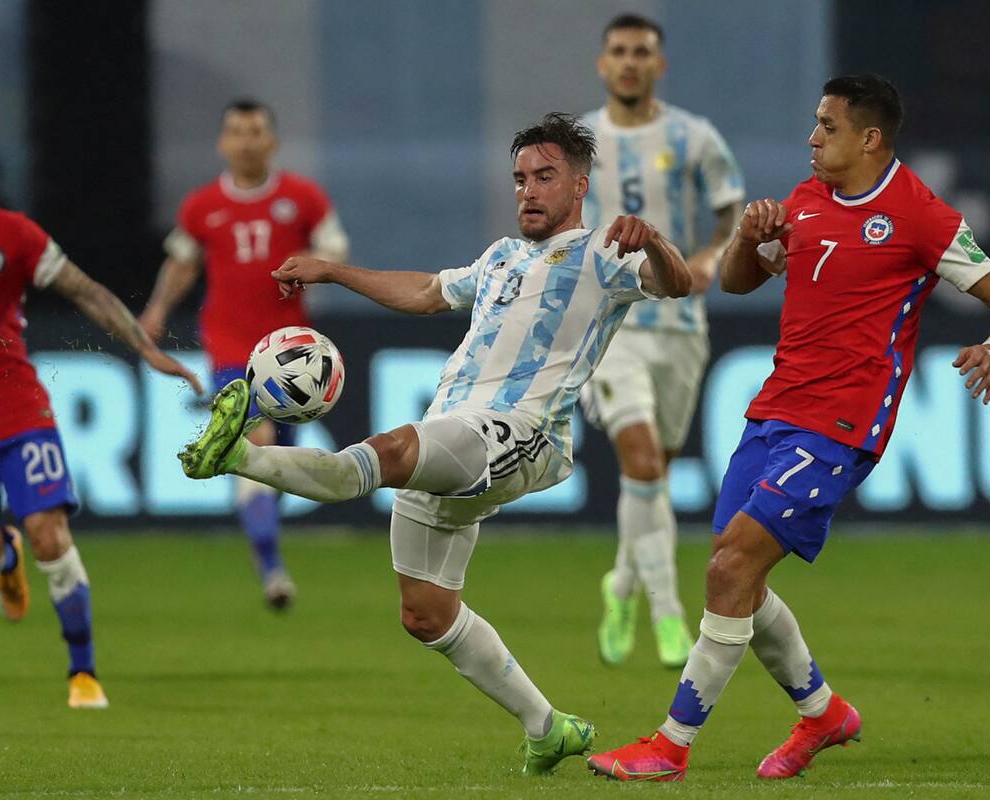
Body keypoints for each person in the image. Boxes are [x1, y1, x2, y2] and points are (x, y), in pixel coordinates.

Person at [178, 113, 691, 774]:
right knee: (425, 614)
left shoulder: (606, 252)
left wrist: (653, 242)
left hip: (521, 434)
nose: (528, 190)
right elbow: (425, 292)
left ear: (579, 185)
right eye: (519, 179)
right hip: (458, 428)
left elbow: (676, 284)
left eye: (544, 176)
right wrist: (332, 270)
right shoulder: (503, 257)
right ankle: (547, 726)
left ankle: (238, 456)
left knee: (384, 455)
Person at [587, 75, 990, 782]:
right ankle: (823, 714)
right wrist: (748, 237)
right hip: (774, 410)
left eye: (826, 126)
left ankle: (670, 747)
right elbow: (737, 281)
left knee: (730, 566)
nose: (812, 137)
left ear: (869, 138)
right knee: (742, 579)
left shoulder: (919, 215)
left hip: (844, 425)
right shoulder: (805, 200)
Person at [0, 121, 203, 708]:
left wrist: (147, 349)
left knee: (49, 531)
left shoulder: (11, 235)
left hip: (16, 408)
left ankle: (83, 672)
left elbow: (86, 290)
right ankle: (2, 557)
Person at [579, 13, 745, 670]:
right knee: (642, 463)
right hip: (611, 326)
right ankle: (670, 615)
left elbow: (732, 214)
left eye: (641, 52)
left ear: (659, 65)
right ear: (602, 64)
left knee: (651, 481)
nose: (629, 62)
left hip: (679, 327)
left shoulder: (693, 136)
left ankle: (619, 585)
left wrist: (709, 257)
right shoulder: (581, 141)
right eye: (618, 51)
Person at [139, 99, 350, 610]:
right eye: (236, 131)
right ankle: (273, 570)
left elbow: (336, 249)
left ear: (272, 141)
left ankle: (265, 544)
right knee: (257, 439)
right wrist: (156, 310)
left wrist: (316, 266)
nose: (246, 140)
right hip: (232, 349)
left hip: (292, 351)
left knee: (273, 462)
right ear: (222, 143)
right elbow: (183, 264)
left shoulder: (302, 197)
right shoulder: (202, 204)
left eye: (256, 131)